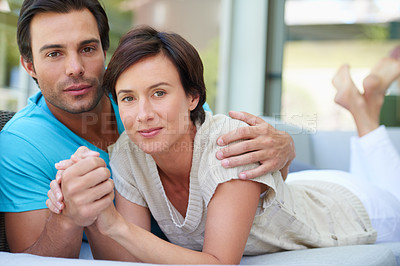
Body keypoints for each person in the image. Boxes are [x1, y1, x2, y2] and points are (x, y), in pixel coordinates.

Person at [47, 26, 400, 264]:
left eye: (159, 93)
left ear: (192, 96)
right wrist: (90, 210)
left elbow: (219, 262)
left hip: (353, 209)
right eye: (127, 98)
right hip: (303, 193)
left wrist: (114, 225)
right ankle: (363, 107)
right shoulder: (127, 151)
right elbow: (130, 258)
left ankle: (363, 112)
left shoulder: (229, 143)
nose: (143, 115)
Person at [0, 0, 296, 258]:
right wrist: (68, 218)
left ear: (105, 51)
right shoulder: (19, 143)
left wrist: (285, 149)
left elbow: (220, 154)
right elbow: (31, 257)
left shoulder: (138, 90)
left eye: (87, 48)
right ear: (29, 66)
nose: (75, 67)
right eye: (54, 54)